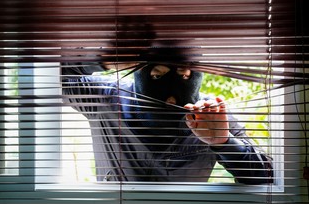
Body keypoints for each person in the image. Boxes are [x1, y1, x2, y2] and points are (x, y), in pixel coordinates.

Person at [61, 17, 273, 184]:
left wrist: (224, 142)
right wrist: (103, 60)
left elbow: (266, 177)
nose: (171, 98)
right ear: (140, 72)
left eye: (185, 76)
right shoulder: (106, 98)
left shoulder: (210, 115)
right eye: (157, 76)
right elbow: (49, 75)